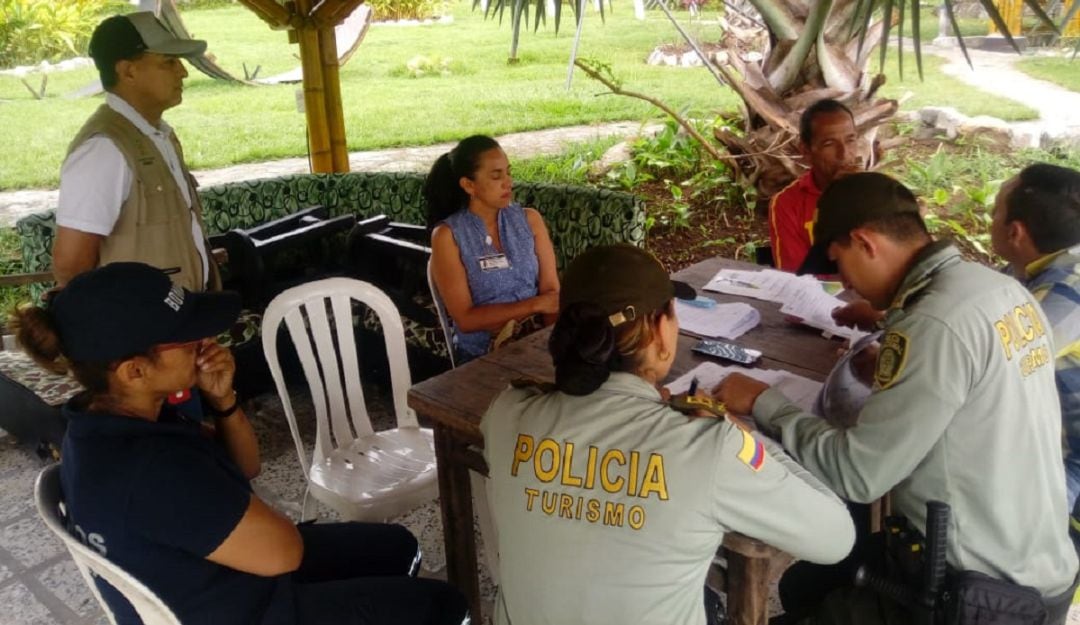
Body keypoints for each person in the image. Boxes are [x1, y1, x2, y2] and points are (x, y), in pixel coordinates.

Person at [11, 263, 468, 625]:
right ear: (134, 370)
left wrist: (224, 401)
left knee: (396, 546)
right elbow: (283, 552)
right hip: (245, 607)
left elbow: (246, 467)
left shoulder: (105, 421)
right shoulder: (150, 468)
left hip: (220, 578)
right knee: (440, 605)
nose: (204, 342)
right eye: (185, 339)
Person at [717, 172, 1079, 624]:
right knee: (802, 585)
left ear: (865, 243)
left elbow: (858, 474)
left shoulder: (932, 324)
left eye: (840, 264)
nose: (846, 283)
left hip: (977, 598)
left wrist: (765, 402)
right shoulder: (998, 288)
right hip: (1035, 562)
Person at [480, 244, 856, 625]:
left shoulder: (506, 414)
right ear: (660, 329)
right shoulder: (706, 445)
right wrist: (737, 434)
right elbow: (837, 537)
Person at [52, 12, 219, 292]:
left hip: (181, 312)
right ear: (128, 71)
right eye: (169, 62)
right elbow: (71, 267)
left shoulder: (158, 135)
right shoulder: (104, 150)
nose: (183, 72)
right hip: (141, 319)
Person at [990, 163, 1080, 511]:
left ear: (1015, 232)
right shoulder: (1030, 269)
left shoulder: (1068, 293)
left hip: (1067, 460)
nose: (990, 220)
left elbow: (990, 365)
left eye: (994, 212)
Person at [424, 135, 559, 363]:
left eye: (508, 172)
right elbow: (466, 319)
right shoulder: (448, 236)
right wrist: (535, 305)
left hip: (535, 341)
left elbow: (551, 291)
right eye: (496, 176)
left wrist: (552, 346)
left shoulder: (530, 220)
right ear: (469, 185)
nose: (508, 182)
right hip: (482, 355)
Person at [768, 99, 862, 272]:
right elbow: (795, 276)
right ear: (806, 151)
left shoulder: (881, 194)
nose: (844, 154)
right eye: (829, 144)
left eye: (850, 140)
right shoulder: (787, 204)